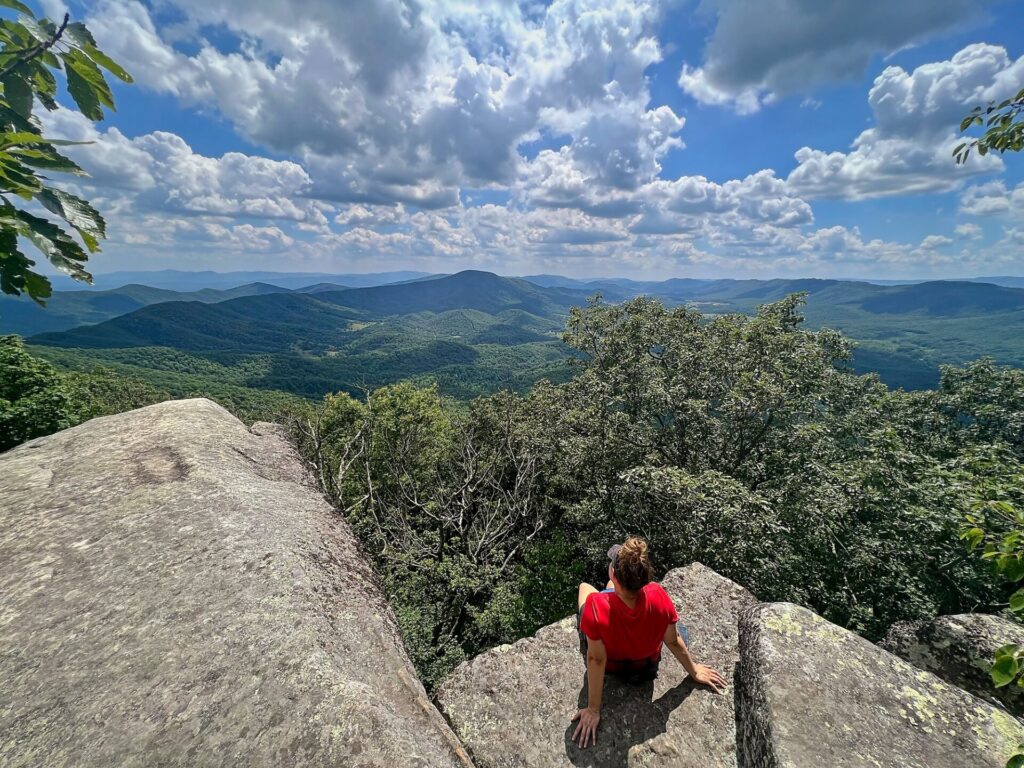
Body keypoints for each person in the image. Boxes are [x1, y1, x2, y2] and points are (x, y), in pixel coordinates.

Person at [571, 537, 728, 749]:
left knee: (584, 588)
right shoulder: (659, 595)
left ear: (614, 573)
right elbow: (673, 640)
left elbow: (596, 659)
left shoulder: (595, 607)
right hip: (645, 669)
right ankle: (614, 591)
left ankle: (610, 592)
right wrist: (694, 671)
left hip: (613, 666)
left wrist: (593, 709)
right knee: (613, 592)